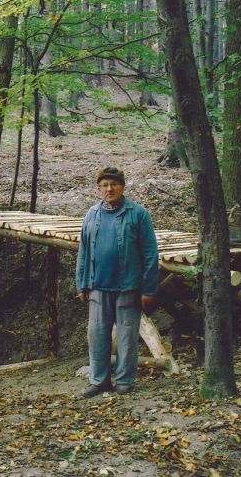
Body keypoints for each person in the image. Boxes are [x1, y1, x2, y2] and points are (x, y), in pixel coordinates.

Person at [76, 167, 159, 398]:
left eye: (114, 184)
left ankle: (124, 381)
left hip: (128, 287)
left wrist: (149, 288)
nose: (109, 189)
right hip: (98, 287)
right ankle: (98, 380)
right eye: (104, 185)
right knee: (97, 337)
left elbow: (151, 253)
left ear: (122, 187)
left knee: (127, 337)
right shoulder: (92, 214)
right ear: (98, 189)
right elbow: (83, 250)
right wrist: (82, 284)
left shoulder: (138, 214)